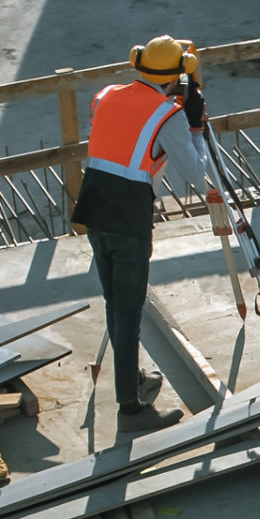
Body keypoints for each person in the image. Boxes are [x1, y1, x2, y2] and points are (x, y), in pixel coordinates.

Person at [69, 34, 218, 433]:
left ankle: (130, 384)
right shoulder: (167, 115)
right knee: (128, 310)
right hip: (128, 212)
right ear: (178, 75)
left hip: (95, 203)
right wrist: (195, 128)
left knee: (115, 302)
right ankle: (130, 409)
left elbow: (125, 139)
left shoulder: (105, 96)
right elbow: (195, 176)